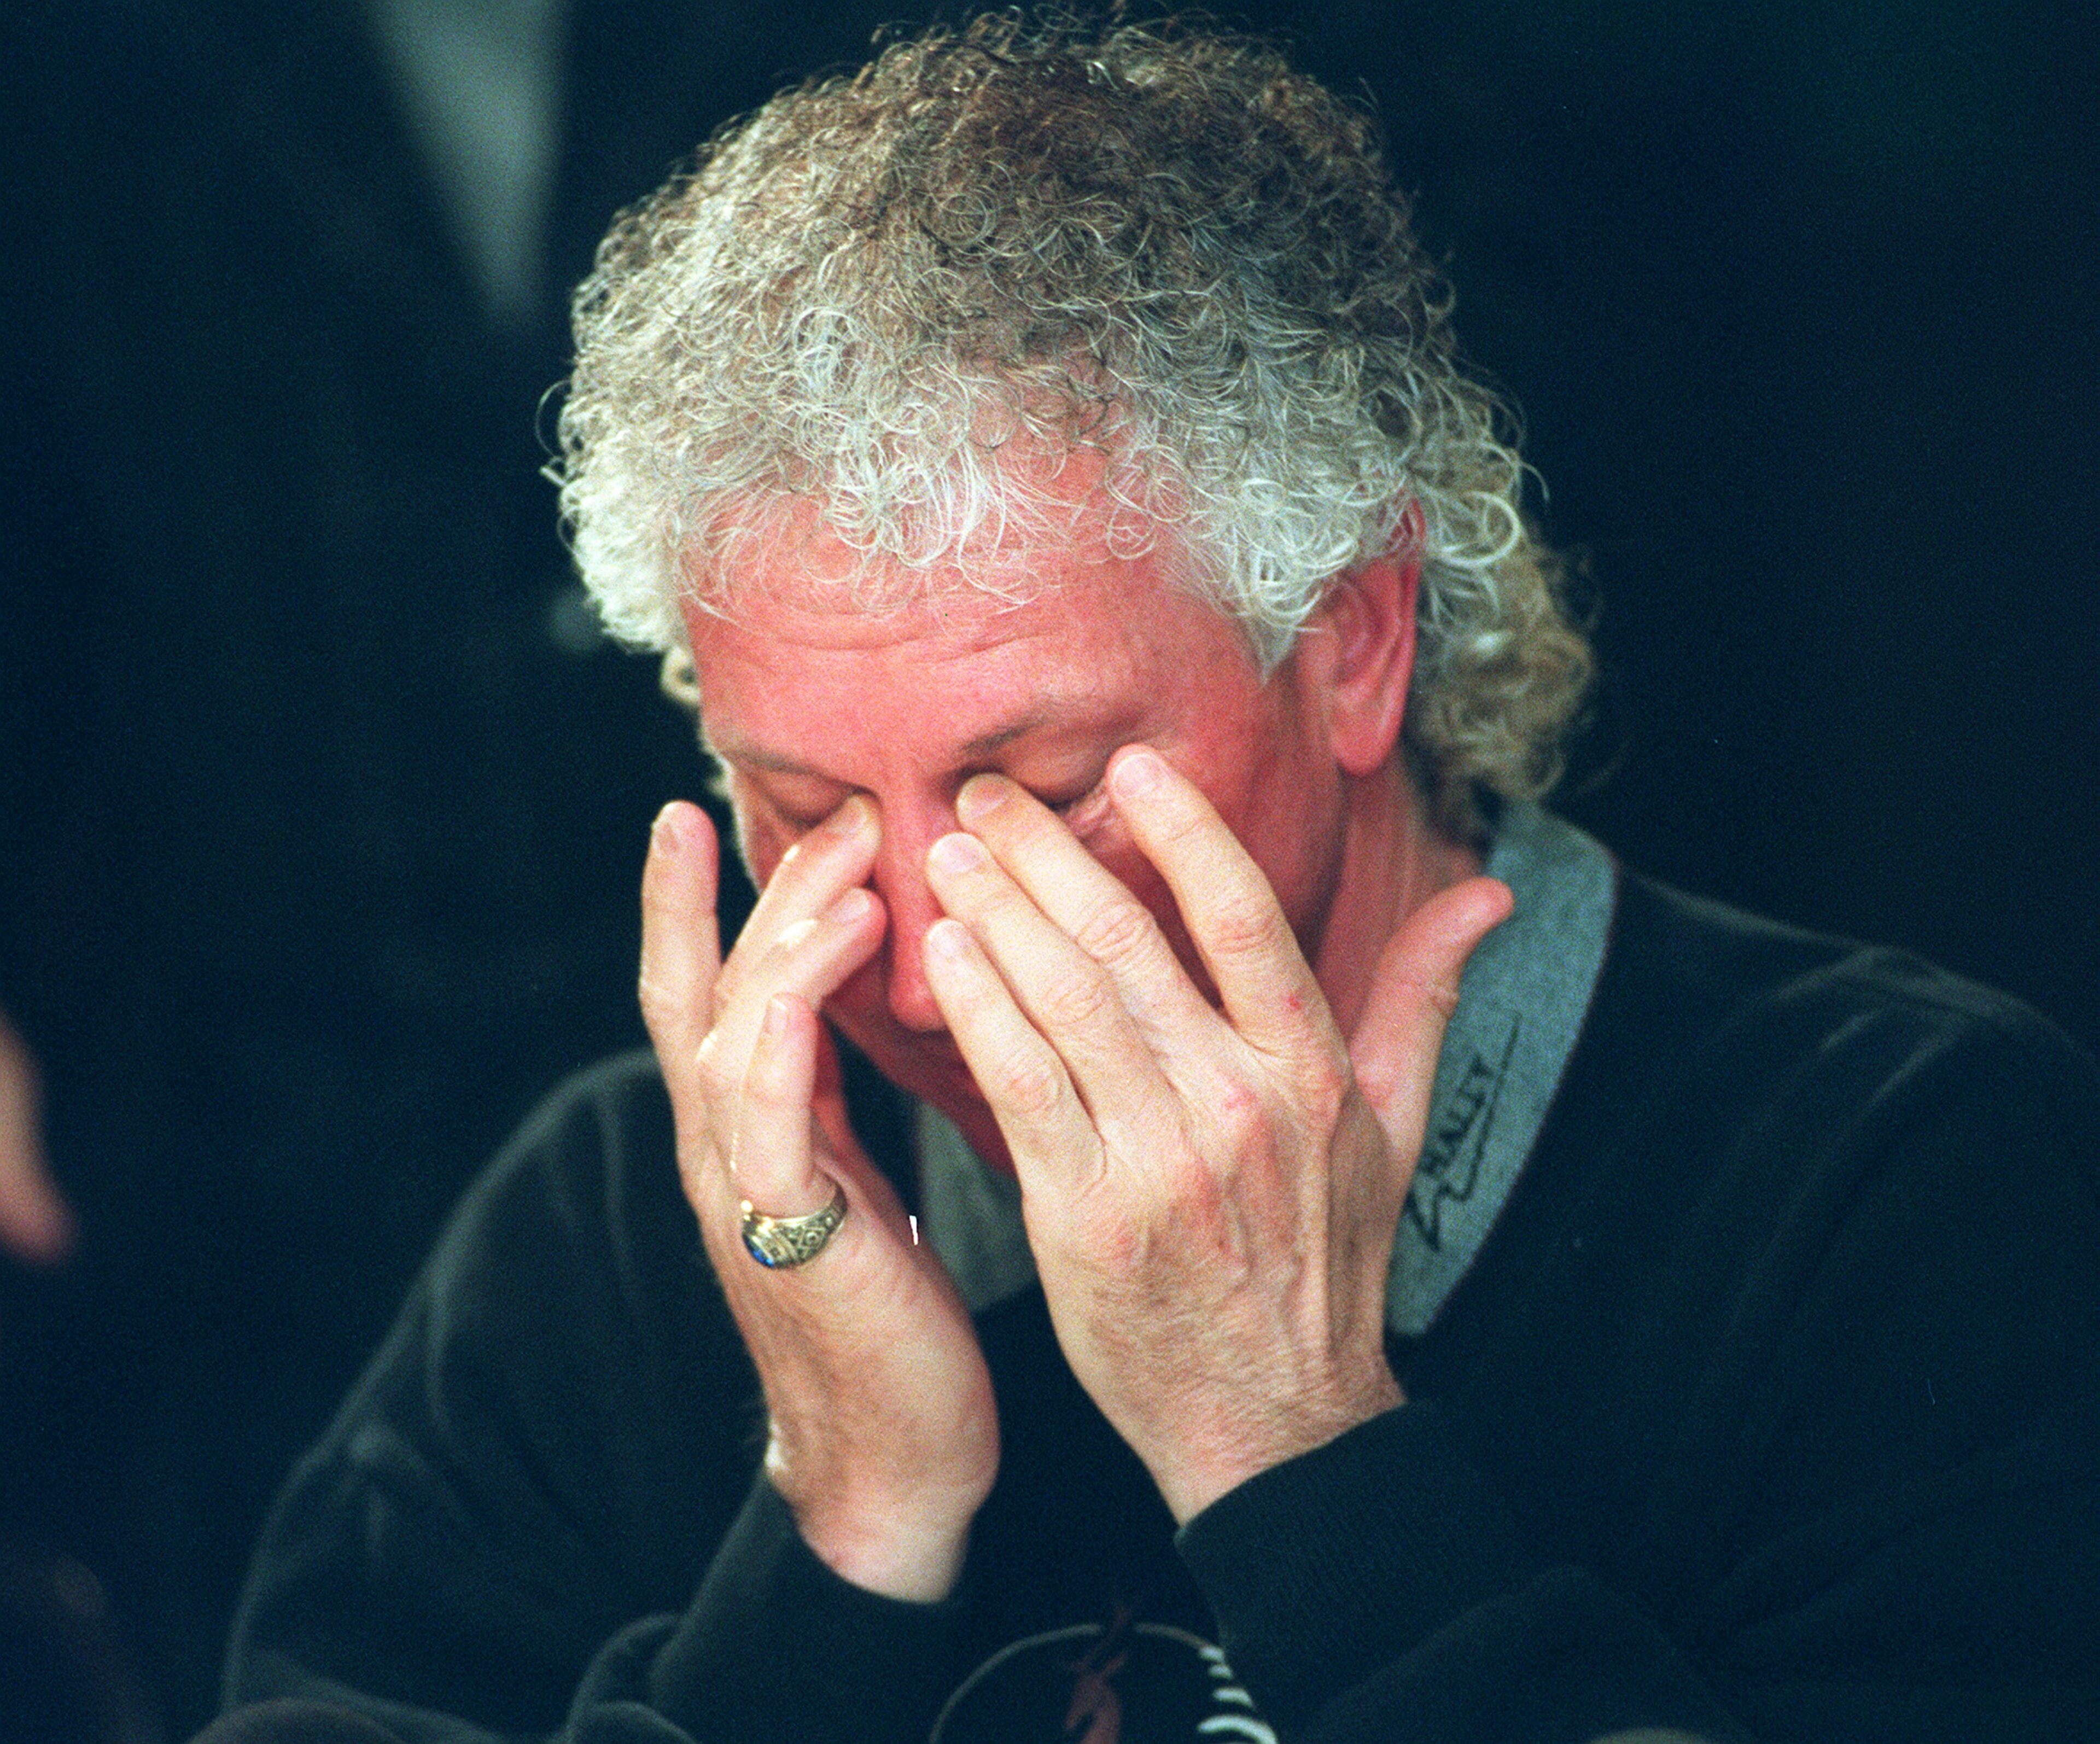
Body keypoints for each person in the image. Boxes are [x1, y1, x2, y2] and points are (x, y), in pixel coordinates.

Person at [210, 14, 2100, 1742]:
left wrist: (1286, 1450)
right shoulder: (623, 1226)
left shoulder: (1908, 1184)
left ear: (1357, 637)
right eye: (805, 815)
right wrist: (841, 1528)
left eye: (1037, 791)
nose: (928, 977)